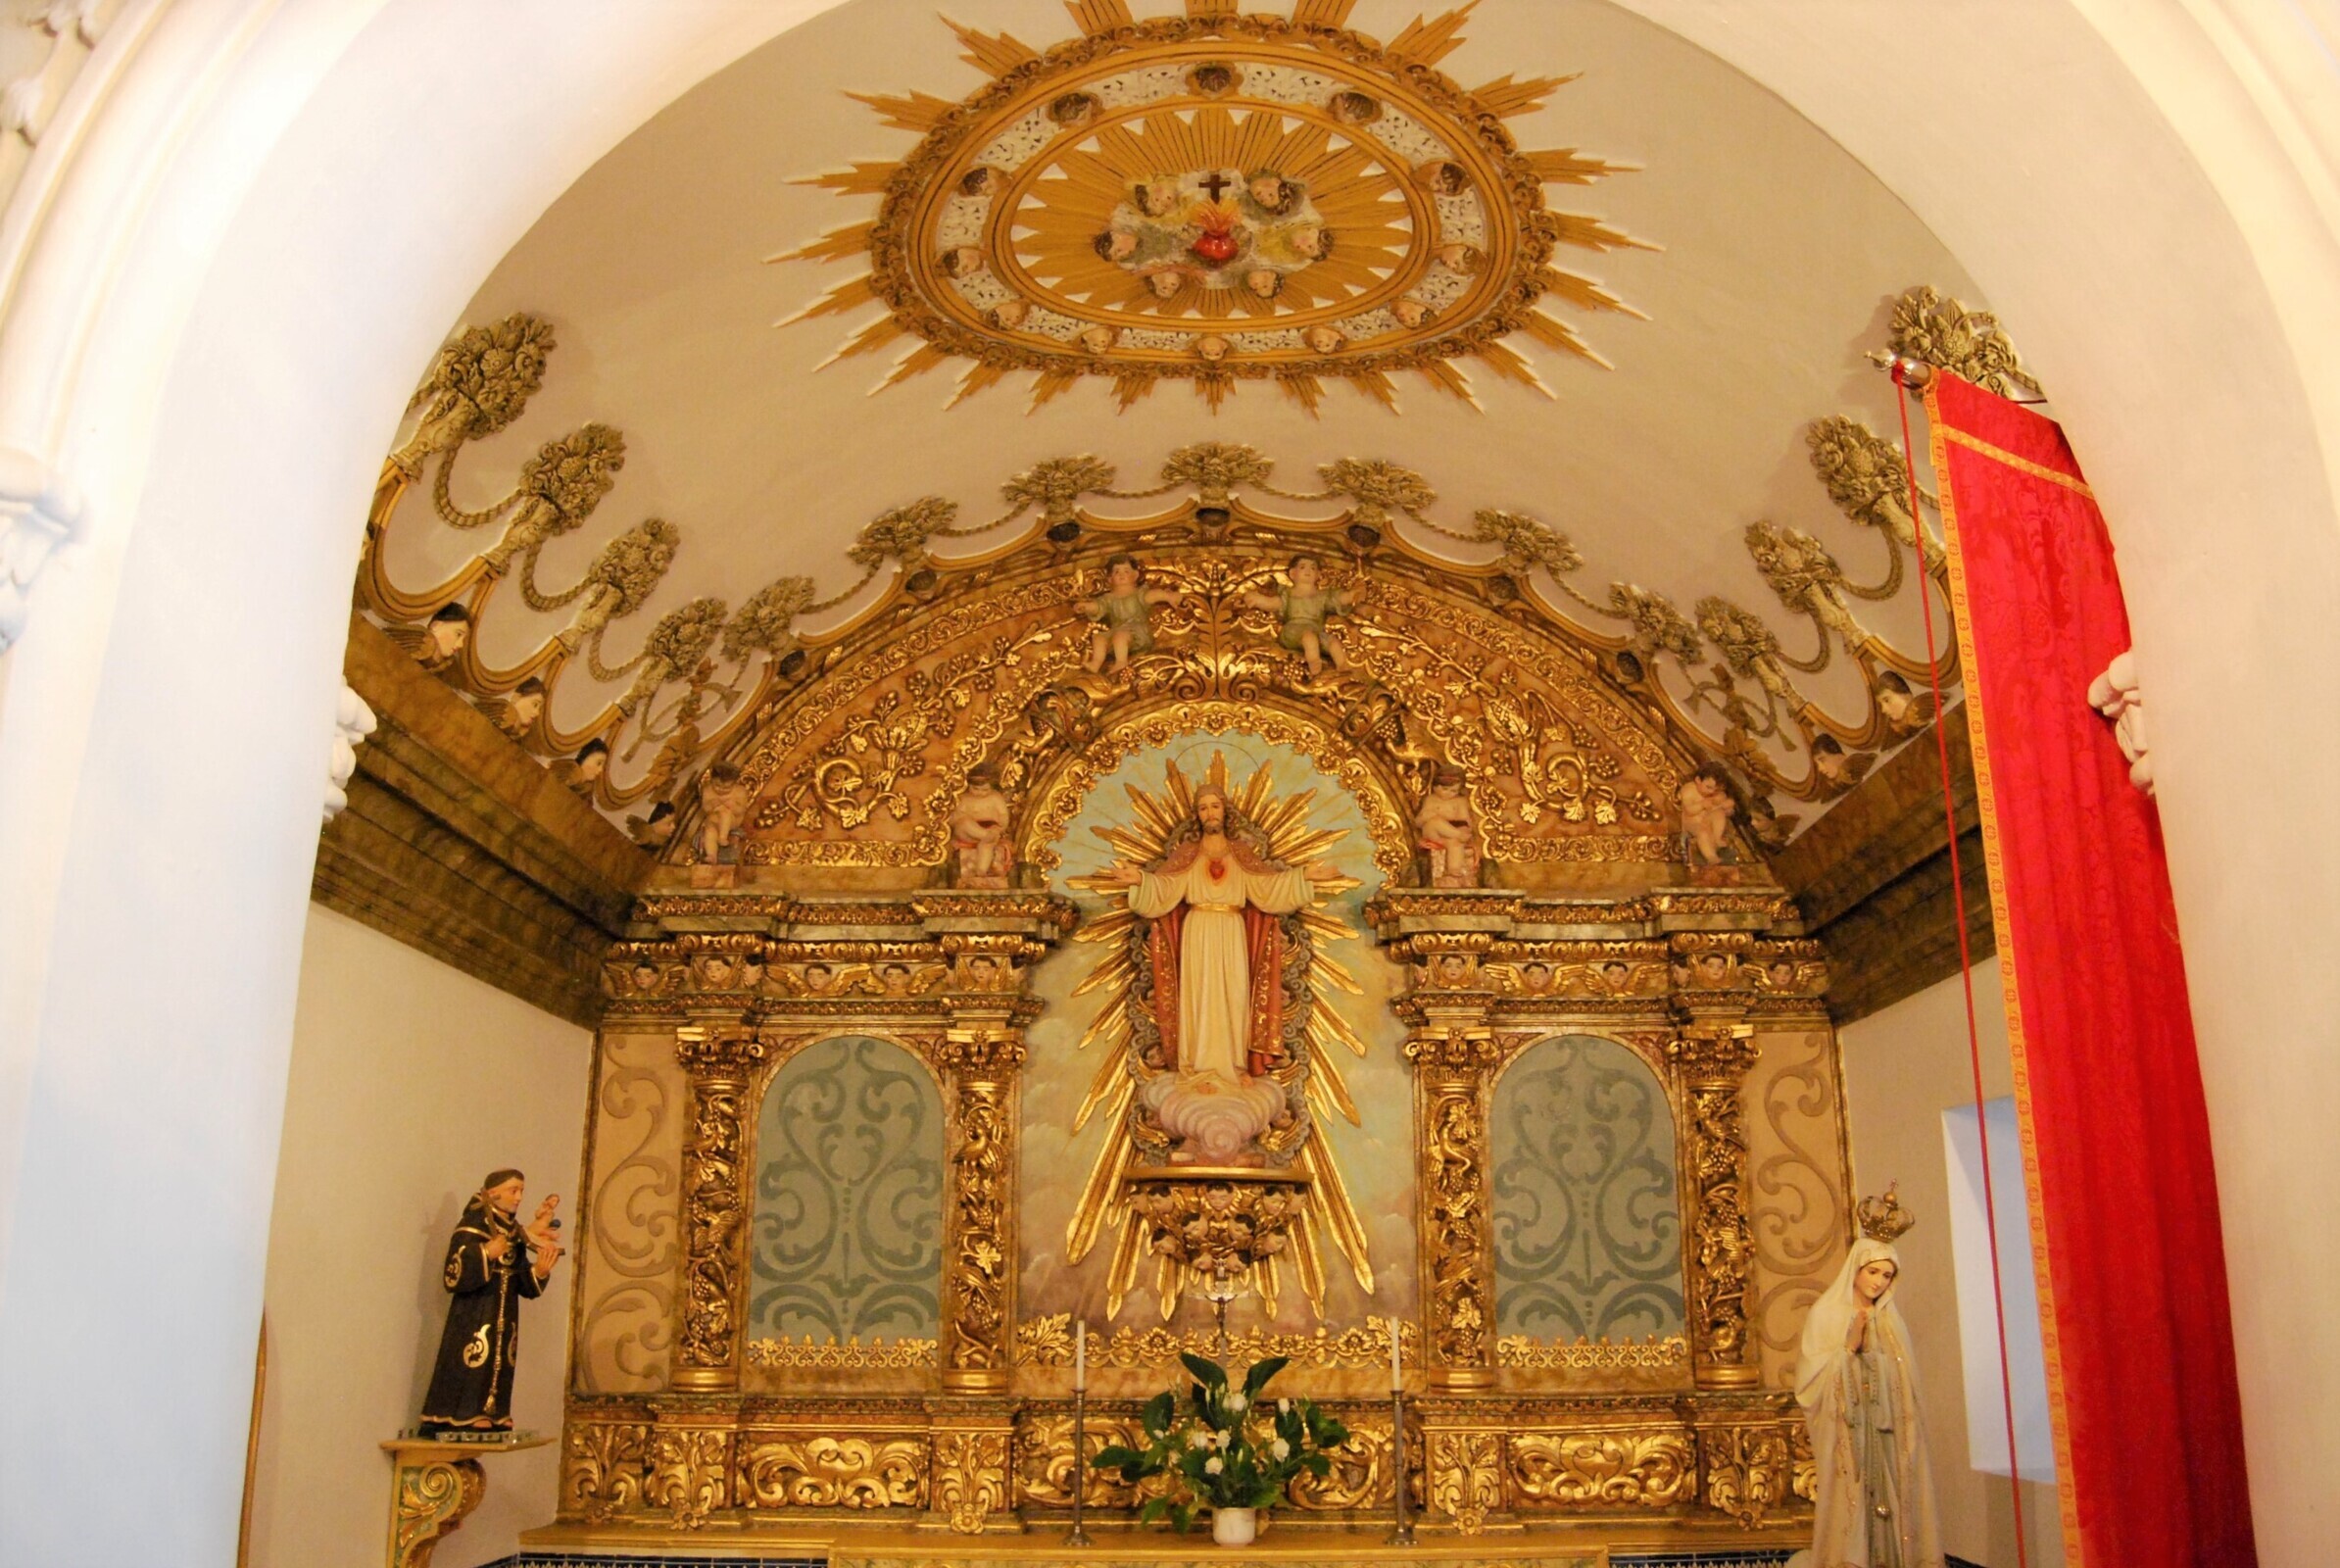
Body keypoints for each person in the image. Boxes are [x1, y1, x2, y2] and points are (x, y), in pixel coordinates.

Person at [1105, 784, 1338, 1160]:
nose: (1209, 813)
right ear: (1197, 815)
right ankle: (1197, 1069)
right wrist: (1140, 881)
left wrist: (1304, 877)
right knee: (1198, 1002)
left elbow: (1267, 887)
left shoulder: (1241, 854)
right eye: (1203, 808)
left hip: (1232, 933)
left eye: (1215, 806)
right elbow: (1165, 887)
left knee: (1232, 1002)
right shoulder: (1188, 855)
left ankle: (1231, 1070)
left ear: (1224, 811)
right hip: (1197, 934)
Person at [1792, 1200, 1944, 1568]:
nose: (1878, 1282)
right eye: (1872, 1272)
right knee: (1853, 1496)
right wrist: (1849, 1346)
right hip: (1849, 1432)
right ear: (1855, 1270)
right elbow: (1811, 1381)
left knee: (1895, 1495)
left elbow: (1904, 1380)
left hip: (1887, 1429)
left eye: (1887, 1275)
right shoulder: (1827, 1314)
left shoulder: (1891, 1321)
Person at [417, 1169, 562, 1437]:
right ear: (493, 1193)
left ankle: (494, 1412)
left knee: (502, 1359)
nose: (519, 1197)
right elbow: (453, 1273)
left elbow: (521, 1279)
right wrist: (486, 1252)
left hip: (505, 1313)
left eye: (521, 1191)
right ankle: (464, 1412)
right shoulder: (474, 1224)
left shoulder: (511, 1231)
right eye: (513, 1190)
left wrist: (539, 1271)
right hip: (475, 1311)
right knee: (474, 1359)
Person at [1244, 553, 1360, 678]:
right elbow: (1274, 603)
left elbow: (1336, 599)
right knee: (1309, 638)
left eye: (1313, 568)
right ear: (1293, 573)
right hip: (1294, 630)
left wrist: (1351, 596)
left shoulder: (1322, 596)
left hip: (1316, 631)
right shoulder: (1288, 594)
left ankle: (1342, 666)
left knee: (1333, 641)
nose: (1308, 571)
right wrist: (1258, 600)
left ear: (1318, 575)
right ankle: (1314, 662)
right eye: (1302, 567)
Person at [1078, 554, 1181, 673]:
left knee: (1120, 636)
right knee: (1098, 638)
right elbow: (1099, 607)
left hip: (1137, 632)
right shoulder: (1108, 599)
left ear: (1135, 575)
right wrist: (1086, 607)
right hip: (1116, 630)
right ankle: (1096, 663)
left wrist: (1168, 596)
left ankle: (1121, 662)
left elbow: (1152, 596)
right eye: (1117, 572)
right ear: (1110, 579)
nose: (1121, 575)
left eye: (1126, 571)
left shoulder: (1138, 594)